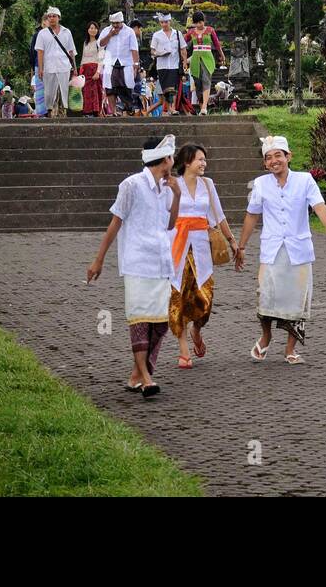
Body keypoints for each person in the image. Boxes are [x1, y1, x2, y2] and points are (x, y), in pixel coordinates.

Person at [234, 135, 326, 365]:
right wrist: (241, 246)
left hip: (298, 250)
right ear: (265, 163)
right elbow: (252, 215)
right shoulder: (261, 184)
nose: (274, 161)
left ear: (288, 157)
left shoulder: (305, 181)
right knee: (265, 296)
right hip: (272, 250)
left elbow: (318, 206)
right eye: (269, 158)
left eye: (278, 156)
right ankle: (266, 337)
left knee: (297, 300)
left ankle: (290, 349)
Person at [86, 135, 182, 398]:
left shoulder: (166, 187)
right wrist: (99, 259)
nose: (173, 163)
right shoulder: (131, 185)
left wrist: (177, 194)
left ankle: (136, 375)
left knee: (160, 323)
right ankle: (147, 378)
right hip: (138, 263)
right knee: (139, 321)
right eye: (172, 158)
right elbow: (115, 223)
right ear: (165, 159)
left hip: (162, 262)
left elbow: (170, 225)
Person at [168, 143, 236, 367]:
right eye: (200, 159)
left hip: (201, 247)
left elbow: (218, 215)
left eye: (205, 160)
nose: (204, 163)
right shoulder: (171, 185)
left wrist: (232, 240)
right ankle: (183, 349)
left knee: (204, 298)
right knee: (178, 296)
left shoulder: (208, 184)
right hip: (177, 246)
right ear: (187, 162)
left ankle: (197, 330)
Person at [36, 6, 76, 118]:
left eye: (54, 16)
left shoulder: (66, 32)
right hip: (49, 67)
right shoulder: (42, 34)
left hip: (64, 67)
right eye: (50, 16)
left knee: (63, 90)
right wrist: (40, 68)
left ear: (59, 17)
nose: (52, 18)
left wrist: (75, 69)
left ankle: (63, 114)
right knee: (49, 93)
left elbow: (71, 51)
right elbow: (40, 52)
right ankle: (50, 112)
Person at [185, 11, 226, 115]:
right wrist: (183, 59)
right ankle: (202, 108)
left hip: (207, 59)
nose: (199, 24)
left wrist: (222, 55)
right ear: (194, 23)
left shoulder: (210, 30)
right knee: (198, 85)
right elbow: (182, 43)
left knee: (206, 80)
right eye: (197, 23)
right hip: (195, 60)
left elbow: (217, 44)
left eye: (201, 22)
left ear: (204, 21)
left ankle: (204, 107)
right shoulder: (191, 32)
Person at [99, 12, 140, 115]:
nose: (115, 25)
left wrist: (136, 64)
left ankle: (128, 107)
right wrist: (110, 35)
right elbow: (100, 44)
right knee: (110, 88)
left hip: (126, 63)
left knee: (126, 86)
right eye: (113, 23)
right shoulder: (107, 30)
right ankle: (113, 111)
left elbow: (134, 49)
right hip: (110, 62)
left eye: (117, 23)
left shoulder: (129, 32)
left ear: (122, 22)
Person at [150, 14, 186, 117]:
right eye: (162, 22)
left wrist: (184, 63)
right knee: (166, 88)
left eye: (166, 22)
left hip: (174, 65)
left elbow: (183, 49)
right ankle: (170, 108)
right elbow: (152, 51)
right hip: (162, 66)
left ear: (170, 22)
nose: (164, 24)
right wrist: (160, 53)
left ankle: (172, 108)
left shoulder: (177, 34)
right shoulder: (157, 35)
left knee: (172, 88)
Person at [79, 21, 105, 116]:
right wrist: (80, 70)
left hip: (94, 69)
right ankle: (87, 111)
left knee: (95, 92)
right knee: (86, 91)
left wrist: (98, 72)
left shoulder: (99, 43)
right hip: (85, 70)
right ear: (88, 30)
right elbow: (83, 57)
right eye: (91, 28)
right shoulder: (85, 43)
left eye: (94, 28)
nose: (92, 30)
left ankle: (95, 111)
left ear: (97, 30)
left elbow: (101, 58)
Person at [30, 15, 49, 118]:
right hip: (39, 65)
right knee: (40, 90)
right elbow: (32, 52)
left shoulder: (55, 34)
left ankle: (51, 110)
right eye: (46, 19)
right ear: (43, 22)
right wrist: (34, 65)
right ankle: (41, 113)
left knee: (51, 90)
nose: (49, 21)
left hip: (52, 66)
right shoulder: (37, 35)